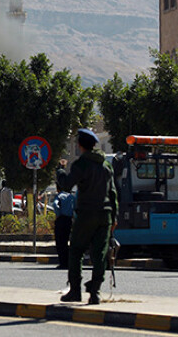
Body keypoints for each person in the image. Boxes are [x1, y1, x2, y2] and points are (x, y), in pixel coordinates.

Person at [57, 128, 117, 305]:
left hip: (86, 214)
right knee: (100, 254)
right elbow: (113, 193)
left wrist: (60, 171)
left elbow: (67, 185)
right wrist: (115, 217)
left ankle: (75, 291)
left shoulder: (81, 164)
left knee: (76, 251)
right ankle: (95, 293)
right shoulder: (106, 165)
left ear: (80, 145)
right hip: (105, 214)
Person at [53, 185, 75, 269]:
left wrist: (58, 214)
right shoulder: (71, 197)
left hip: (61, 219)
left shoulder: (59, 196)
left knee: (60, 242)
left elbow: (55, 205)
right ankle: (69, 262)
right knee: (67, 241)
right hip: (69, 220)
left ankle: (63, 263)